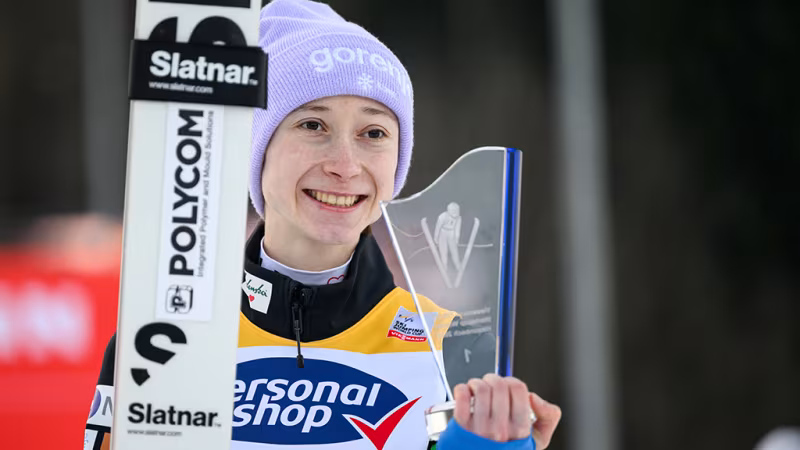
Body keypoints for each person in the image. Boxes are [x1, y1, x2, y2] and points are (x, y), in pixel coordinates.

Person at [85, 0, 561, 449]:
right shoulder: (162, 342)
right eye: (313, 125)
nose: (345, 166)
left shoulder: (453, 346)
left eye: (373, 133)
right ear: (257, 147)